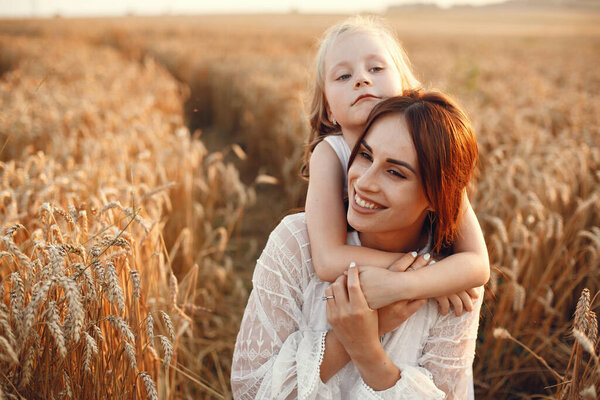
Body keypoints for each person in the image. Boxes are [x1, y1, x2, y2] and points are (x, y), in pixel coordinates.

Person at [231, 90, 483, 399]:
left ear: (436, 196)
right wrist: (350, 337)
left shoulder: (454, 282)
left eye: (395, 172)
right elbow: (250, 390)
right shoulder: (297, 242)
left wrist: (366, 350)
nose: (363, 182)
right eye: (365, 155)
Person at [303, 16, 489, 313]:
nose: (362, 79)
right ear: (328, 110)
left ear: (404, 86)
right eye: (343, 76)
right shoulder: (329, 153)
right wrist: (431, 272)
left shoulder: (429, 152)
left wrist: (410, 283)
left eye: (376, 68)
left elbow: (478, 264)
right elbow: (327, 260)